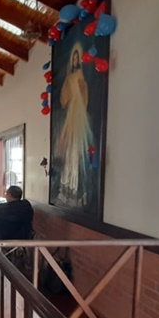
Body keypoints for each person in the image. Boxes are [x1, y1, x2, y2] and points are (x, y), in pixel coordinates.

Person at [56, 43, 92, 206]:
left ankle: (76, 188)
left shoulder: (80, 75)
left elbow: (84, 92)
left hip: (78, 111)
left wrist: (79, 99)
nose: (76, 60)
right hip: (71, 110)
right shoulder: (69, 77)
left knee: (76, 147)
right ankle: (66, 186)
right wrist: (70, 99)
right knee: (67, 145)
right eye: (74, 58)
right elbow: (64, 97)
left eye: (78, 58)